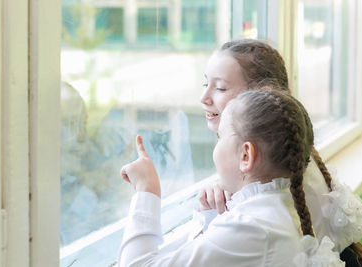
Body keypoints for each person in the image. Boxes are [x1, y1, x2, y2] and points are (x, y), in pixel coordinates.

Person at [119, 89, 348, 266]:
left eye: (220, 137)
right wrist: (210, 216)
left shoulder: (253, 227)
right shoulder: (276, 206)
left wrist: (146, 189)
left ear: (246, 155)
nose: (216, 145)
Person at [197, 39, 362, 266]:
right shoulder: (288, 160)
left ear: (263, 95)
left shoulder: (272, 190)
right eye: (205, 84)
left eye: (220, 88)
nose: (204, 98)